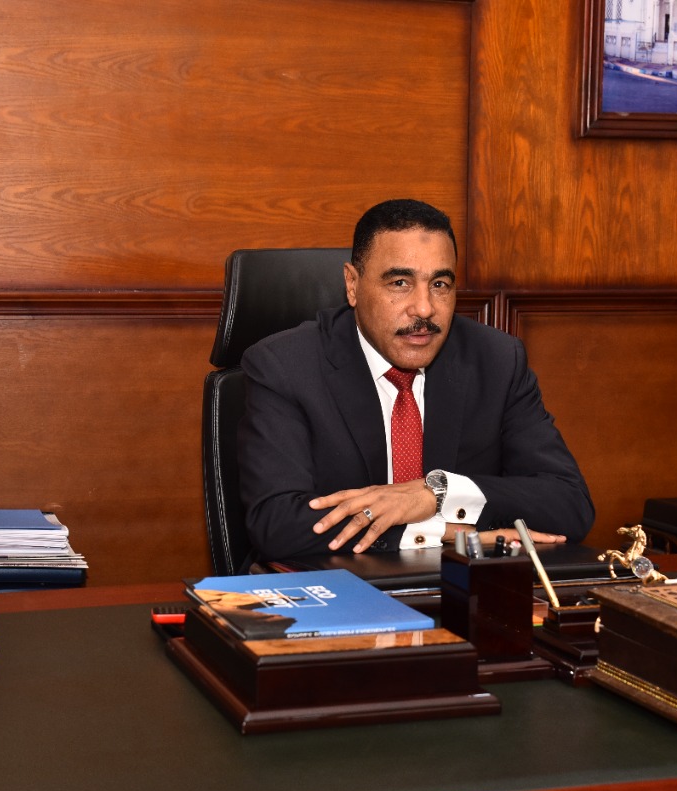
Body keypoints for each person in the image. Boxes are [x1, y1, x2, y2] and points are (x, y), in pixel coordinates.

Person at [238, 198, 593, 561]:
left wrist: (436, 493)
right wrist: (445, 533)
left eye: (439, 284)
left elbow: (569, 504)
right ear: (352, 284)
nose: (424, 308)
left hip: (459, 588)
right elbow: (276, 522)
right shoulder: (285, 366)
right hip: (338, 583)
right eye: (400, 282)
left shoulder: (496, 361)